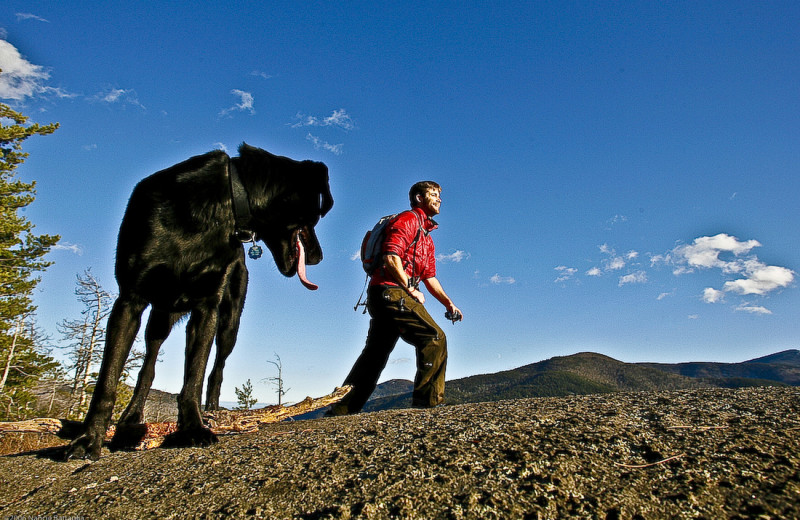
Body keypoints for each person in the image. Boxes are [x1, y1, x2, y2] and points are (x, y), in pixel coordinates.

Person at [330, 181, 463, 415]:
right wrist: (411, 289)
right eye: (433, 194)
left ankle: (342, 409)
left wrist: (448, 303)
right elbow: (391, 257)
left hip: (385, 293)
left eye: (439, 195)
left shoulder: (427, 237)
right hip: (390, 291)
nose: (439, 199)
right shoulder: (409, 219)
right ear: (419, 198)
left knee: (375, 353)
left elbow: (430, 277)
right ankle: (428, 405)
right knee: (433, 337)